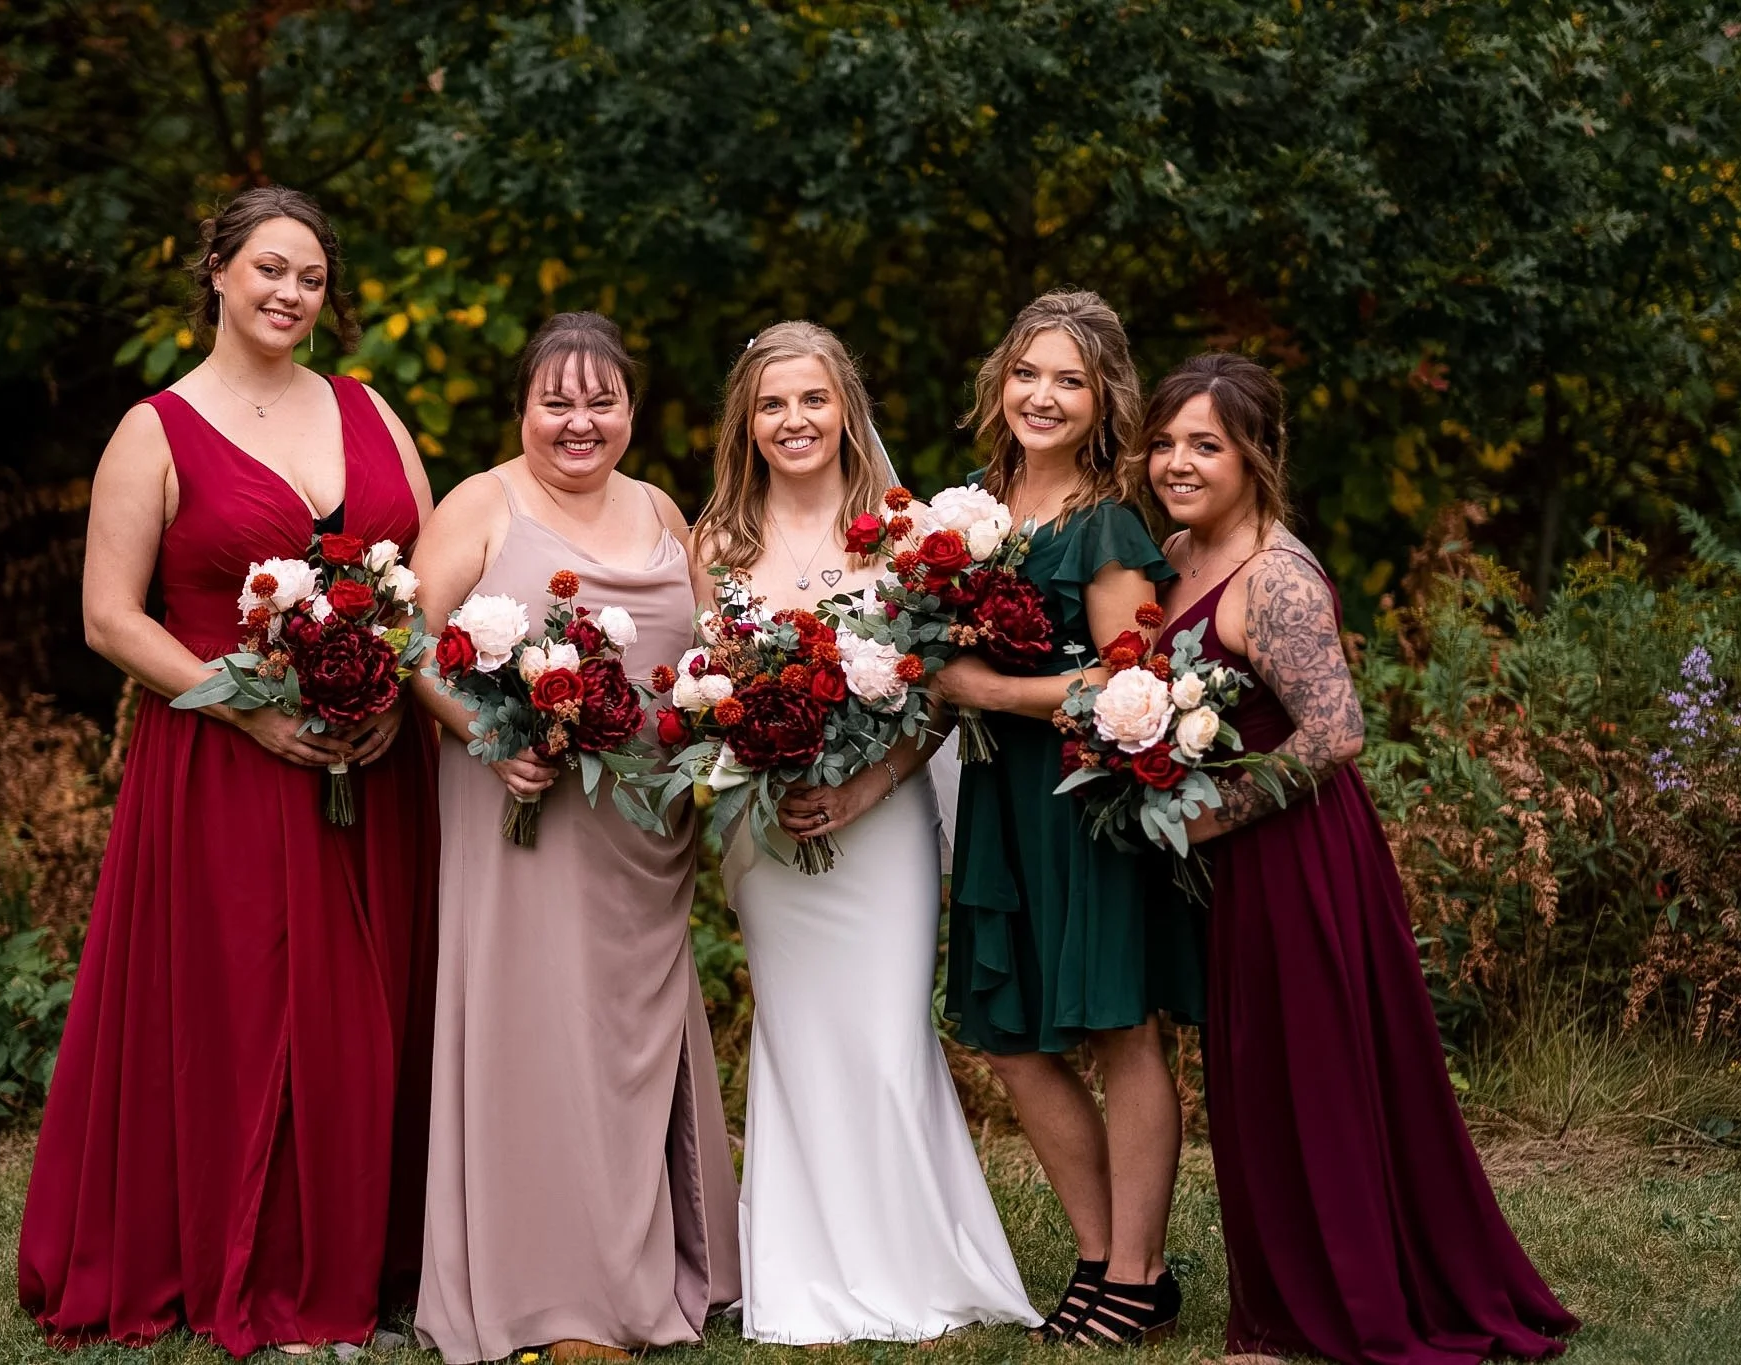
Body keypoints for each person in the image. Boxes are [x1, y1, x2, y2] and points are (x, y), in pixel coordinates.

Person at [18, 185, 440, 1356]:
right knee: (247, 1014)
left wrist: (397, 695)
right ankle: (256, 1269)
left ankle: (375, 1256)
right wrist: (245, 710)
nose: (288, 293)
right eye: (266, 268)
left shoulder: (367, 408)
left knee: (369, 1007)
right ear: (214, 270)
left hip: (374, 764)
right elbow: (110, 617)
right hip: (222, 768)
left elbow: (426, 578)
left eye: (308, 276)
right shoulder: (154, 429)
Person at [1141, 351, 1579, 1364]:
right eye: (1164, 442)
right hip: (1234, 860)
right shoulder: (1175, 553)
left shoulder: (1276, 577)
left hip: (1295, 854)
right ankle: (1279, 1301)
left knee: (1312, 1076)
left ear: (1254, 454)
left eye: (1203, 444)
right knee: (1250, 1080)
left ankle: (1335, 1308)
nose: (1177, 461)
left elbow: (1334, 732)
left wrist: (1212, 816)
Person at [689, 321, 1039, 1344]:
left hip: (880, 821)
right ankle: (799, 1274)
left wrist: (864, 785)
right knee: (795, 1038)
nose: (792, 421)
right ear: (745, 424)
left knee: (885, 1040)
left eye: (810, 400)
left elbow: (931, 693)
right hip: (772, 835)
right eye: (770, 405)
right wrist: (766, 760)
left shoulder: (899, 532)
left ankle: (912, 1264)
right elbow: (713, 688)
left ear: (845, 409)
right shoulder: (719, 545)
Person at [409, 312, 739, 1365]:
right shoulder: (482, 502)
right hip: (524, 814)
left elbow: (712, 651)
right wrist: (486, 732)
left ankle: (651, 1263)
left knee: (624, 1047)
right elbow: (401, 639)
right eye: (557, 400)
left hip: (644, 830)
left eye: (602, 401)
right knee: (535, 1041)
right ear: (524, 408)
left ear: (631, 412)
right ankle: (545, 1291)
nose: (578, 422)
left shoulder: (658, 507)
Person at [928, 290, 1201, 1346]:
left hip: (1085, 801)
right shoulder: (970, 510)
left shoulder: (1109, 524)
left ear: (1102, 401)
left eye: (1069, 381)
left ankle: (1134, 1276)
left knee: (1119, 1029)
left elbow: (1130, 684)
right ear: (1000, 382)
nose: (1042, 396)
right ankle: (1098, 1255)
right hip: (996, 802)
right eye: (1027, 373)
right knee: (1007, 1034)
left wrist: (991, 692)